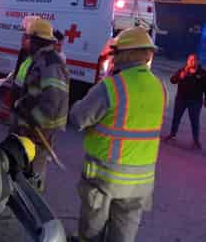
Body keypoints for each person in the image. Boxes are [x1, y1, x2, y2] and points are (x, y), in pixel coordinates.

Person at [69, 27, 167, 242]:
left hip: (106, 180)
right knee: (123, 237)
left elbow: (78, 118)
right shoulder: (159, 86)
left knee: (91, 235)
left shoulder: (112, 86)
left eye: (114, 54)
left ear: (123, 54)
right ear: (147, 54)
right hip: (140, 182)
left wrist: (101, 81)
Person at [12, 18, 70, 192]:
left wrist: (33, 123)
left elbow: (53, 102)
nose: (25, 40)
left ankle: (33, 201)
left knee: (35, 170)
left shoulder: (51, 64)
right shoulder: (38, 59)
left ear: (35, 40)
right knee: (24, 165)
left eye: (27, 37)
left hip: (39, 130)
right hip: (29, 126)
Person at [164, 53, 206, 149]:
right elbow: (172, 80)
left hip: (195, 101)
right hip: (181, 99)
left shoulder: (203, 73)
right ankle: (172, 134)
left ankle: (196, 140)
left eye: (193, 60)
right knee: (176, 118)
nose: (190, 62)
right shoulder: (182, 70)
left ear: (197, 61)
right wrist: (180, 77)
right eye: (189, 60)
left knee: (194, 121)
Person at [0, 30, 31, 124]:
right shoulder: (23, 51)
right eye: (22, 39)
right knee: (9, 98)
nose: (22, 41)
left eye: (24, 39)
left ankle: (11, 119)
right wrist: (14, 75)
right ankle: (4, 115)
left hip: (24, 85)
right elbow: (19, 65)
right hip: (17, 81)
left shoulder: (32, 54)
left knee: (18, 104)